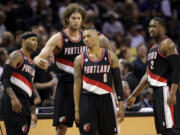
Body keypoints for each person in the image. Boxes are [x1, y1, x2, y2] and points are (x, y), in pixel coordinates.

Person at [34, 3, 87, 135]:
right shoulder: (58, 38)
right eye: (73, 18)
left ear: (82, 20)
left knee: (87, 126)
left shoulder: (86, 37)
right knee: (61, 128)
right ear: (67, 19)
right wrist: (39, 60)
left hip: (84, 87)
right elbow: (40, 56)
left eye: (79, 18)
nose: (76, 21)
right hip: (65, 86)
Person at [127, 17, 180, 135]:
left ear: (163, 29)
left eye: (154, 26)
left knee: (170, 129)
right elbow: (147, 76)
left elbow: (176, 69)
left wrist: (172, 94)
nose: (151, 29)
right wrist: (133, 94)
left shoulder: (167, 44)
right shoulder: (151, 49)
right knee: (162, 130)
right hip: (157, 92)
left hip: (166, 90)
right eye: (150, 26)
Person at [74, 27, 124, 135]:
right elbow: (77, 86)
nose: (86, 39)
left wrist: (121, 105)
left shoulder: (111, 56)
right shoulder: (79, 59)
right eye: (83, 37)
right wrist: (77, 110)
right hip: (87, 99)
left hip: (106, 99)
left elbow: (118, 82)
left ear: (97, 37)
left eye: (88, 36)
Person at [1, 31, 38, 135]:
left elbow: (30, 88)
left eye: (37, 41)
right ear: (24, 41)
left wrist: (33, 111)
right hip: (13, 100)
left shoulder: (32, 63)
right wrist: (13, 98)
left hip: (25, 101)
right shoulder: (16, 55)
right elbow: (4, 78)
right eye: (33, 40)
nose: (36, 43)